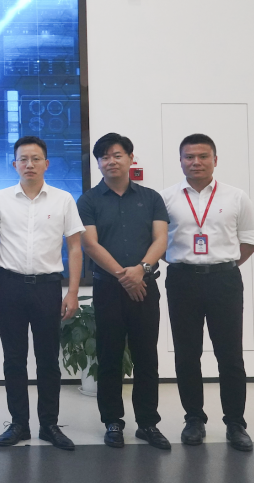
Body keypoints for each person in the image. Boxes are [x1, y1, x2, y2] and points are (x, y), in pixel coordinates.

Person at [161, 133, 254, 452]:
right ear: (180, 161)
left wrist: (221, 265)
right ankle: (194, 419)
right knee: (186, 353)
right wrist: (188, 264)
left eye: (203, 156)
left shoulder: (236, 196)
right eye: (189, 157)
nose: (196, 162)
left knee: (230, 355)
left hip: (224, 281)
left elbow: (248, 240)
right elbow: (159, 242)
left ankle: (235, 423)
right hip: (182, 281)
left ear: (215, 160)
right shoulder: (166, 198)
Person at [0, 135, 83, 451]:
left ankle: (49, 424)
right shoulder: (0, 199)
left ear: (46, 163)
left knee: (48, 360)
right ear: (14, 163)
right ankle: (19, 424)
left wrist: (72, 292)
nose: (29, 164)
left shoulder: (63, 199)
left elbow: (75, 247)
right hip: (9, 286)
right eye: (23, 159)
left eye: (35, 158)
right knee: (14, 359)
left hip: (47, 287)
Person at [76, 133, 169, 450]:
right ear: (98, 163)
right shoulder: (89, 200)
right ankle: (113, 422)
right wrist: (124, 276)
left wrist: (140, 270)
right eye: (104, 157)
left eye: (117, 155)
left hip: (146, 286)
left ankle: (148, 423)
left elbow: (161, 239)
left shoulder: (151, 198)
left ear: (130, 158)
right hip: (108, 289)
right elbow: (90, 244)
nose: (111, 161)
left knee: (147, 357)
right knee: (109, 356)